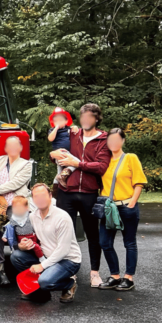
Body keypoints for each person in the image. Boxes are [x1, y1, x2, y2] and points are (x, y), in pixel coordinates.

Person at [51, 102, 110, 287]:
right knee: (63, 234)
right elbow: (55, 150)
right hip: (66, 191)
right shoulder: (72, 134)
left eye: (89, 117)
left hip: (89, 193)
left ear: (96, 118)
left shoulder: (103, 139)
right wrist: (54, 153)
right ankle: (67, 273)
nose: (85, 120)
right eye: (82, 116)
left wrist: (77, 163)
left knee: (92, 235)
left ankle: (94, 273)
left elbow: (101, 166)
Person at [10, 183, 81, 303]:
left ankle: (69, 284)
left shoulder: (62, 217)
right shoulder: (33, 217)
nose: (40, 199)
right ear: (32, 199)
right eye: (36, 197)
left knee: (45, 281)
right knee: (16, 257)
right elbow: (31, 239)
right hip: (46, 256)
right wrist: (22, 246)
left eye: (43, 195)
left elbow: (63, 250)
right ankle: (40, 291)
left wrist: (42, 266)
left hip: (68, 260)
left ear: (50, 196)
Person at [0, 135, 33, 286]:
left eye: (15, 145)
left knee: (19, 231)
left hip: (15, 203)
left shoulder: (26, 164)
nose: (12, 148)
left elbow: (15, 184)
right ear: (5, 148)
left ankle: (22, 264)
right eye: (9, 145)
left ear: (21, 148)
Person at [98, 128, 147, 291]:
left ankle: (128, 277)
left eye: (116, 140)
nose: (113, 143)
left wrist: (132, 203)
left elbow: (139, 182)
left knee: (129, 243)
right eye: (110, 140)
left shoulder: (130, 158)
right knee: (105, 242)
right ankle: (114, 276)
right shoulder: (104, 160)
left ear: (123, 141)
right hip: (109, 208)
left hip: (126, 206)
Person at [47, 107, 75, 186]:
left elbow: (74, 131)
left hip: (68, 153)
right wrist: (56, 128)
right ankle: (62, 176)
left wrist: (75, 128)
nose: (58, 122)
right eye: (56, 121)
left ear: (66, 121)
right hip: (60, 153)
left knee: (59, 172)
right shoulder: (52, 130)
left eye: (61, 120)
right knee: (77, 163)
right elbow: (50, 139)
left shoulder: (68, 129)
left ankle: (56, 187)